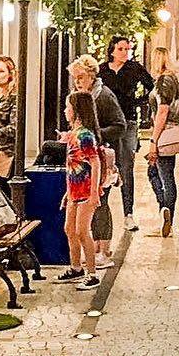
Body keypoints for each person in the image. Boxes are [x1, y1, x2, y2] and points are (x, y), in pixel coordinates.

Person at [65, 55, 126, 270]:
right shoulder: (80, 97)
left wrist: (93, 135)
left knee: (100, 202)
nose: (77, 82)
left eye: (81, 77)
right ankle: (93, 249)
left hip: (100, 155)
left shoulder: (104, 96)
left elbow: (120, 125)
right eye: (75, 78)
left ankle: (103, 249)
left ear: (92, 75)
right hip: (85, 158)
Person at [99, 36, 154, 232]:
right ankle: (100, 210)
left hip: (128, 121)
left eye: (127, 49)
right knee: (103, 165)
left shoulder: (134, 68)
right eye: (121, 49)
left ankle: (128, 213)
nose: (125, 52)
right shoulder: (102, 70)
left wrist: (139, 101)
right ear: (112, 50)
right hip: (107, 123)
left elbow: (151, 86)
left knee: (126, 165)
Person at [57, 91, 102, 291]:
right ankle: (76, 267)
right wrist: (68, 193)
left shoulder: (84, 135)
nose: (66, 111)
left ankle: (92, 273)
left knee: (82, 231)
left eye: (68, 107)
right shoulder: (73, 135)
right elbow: (72, 166)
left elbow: (95, 162)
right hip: (74, 190)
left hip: (85, 191)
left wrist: (93, 192)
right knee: (69, 229)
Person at [146, 53, 179, 237]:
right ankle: (166, 213)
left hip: (164, 133)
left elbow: (162, 111)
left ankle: (166, 210)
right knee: (164, 173)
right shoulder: (178, 79)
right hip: (175, 132)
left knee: (161, 175)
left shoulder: (164, 80)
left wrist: (153, 141)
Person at [0, 56, 18, 195]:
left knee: (1, 192)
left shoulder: (13, 98)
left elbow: (14, 127)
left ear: (10, 74)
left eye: (0, 71)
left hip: (5, 153)